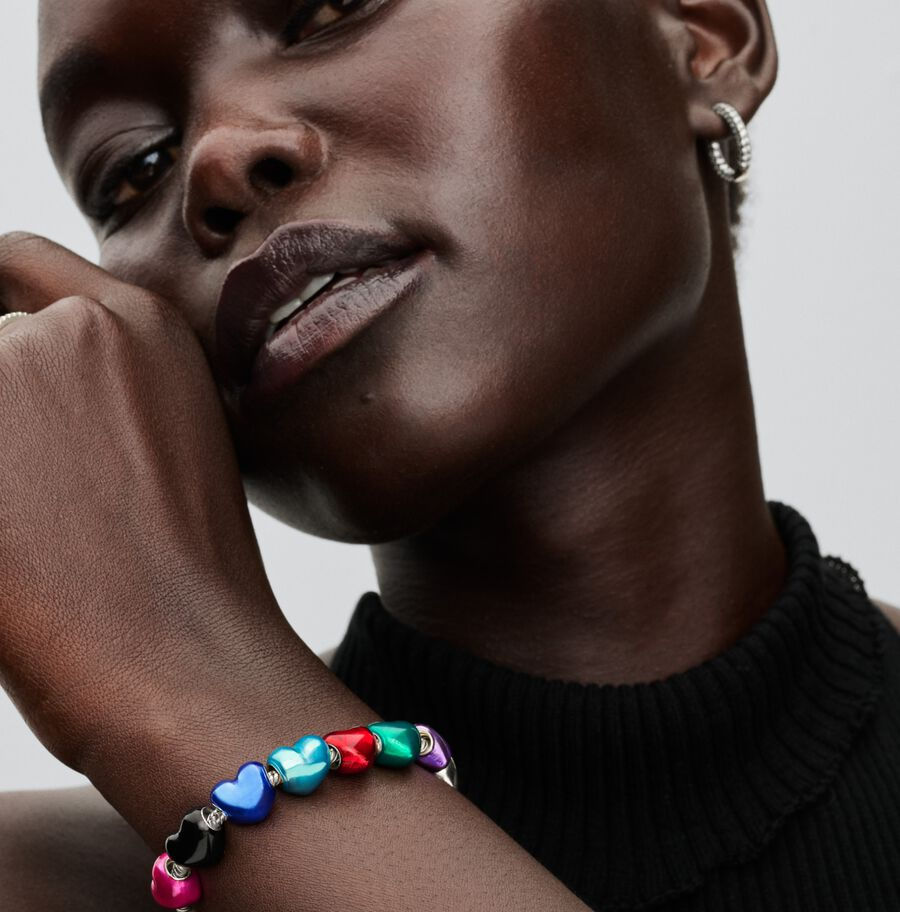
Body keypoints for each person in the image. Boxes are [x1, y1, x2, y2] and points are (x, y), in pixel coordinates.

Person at [0, 0, 896, 909]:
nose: (217, 158)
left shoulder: (173, 703)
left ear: (704, 35)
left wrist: (181, 676)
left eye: (329, 12)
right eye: (132, 167)